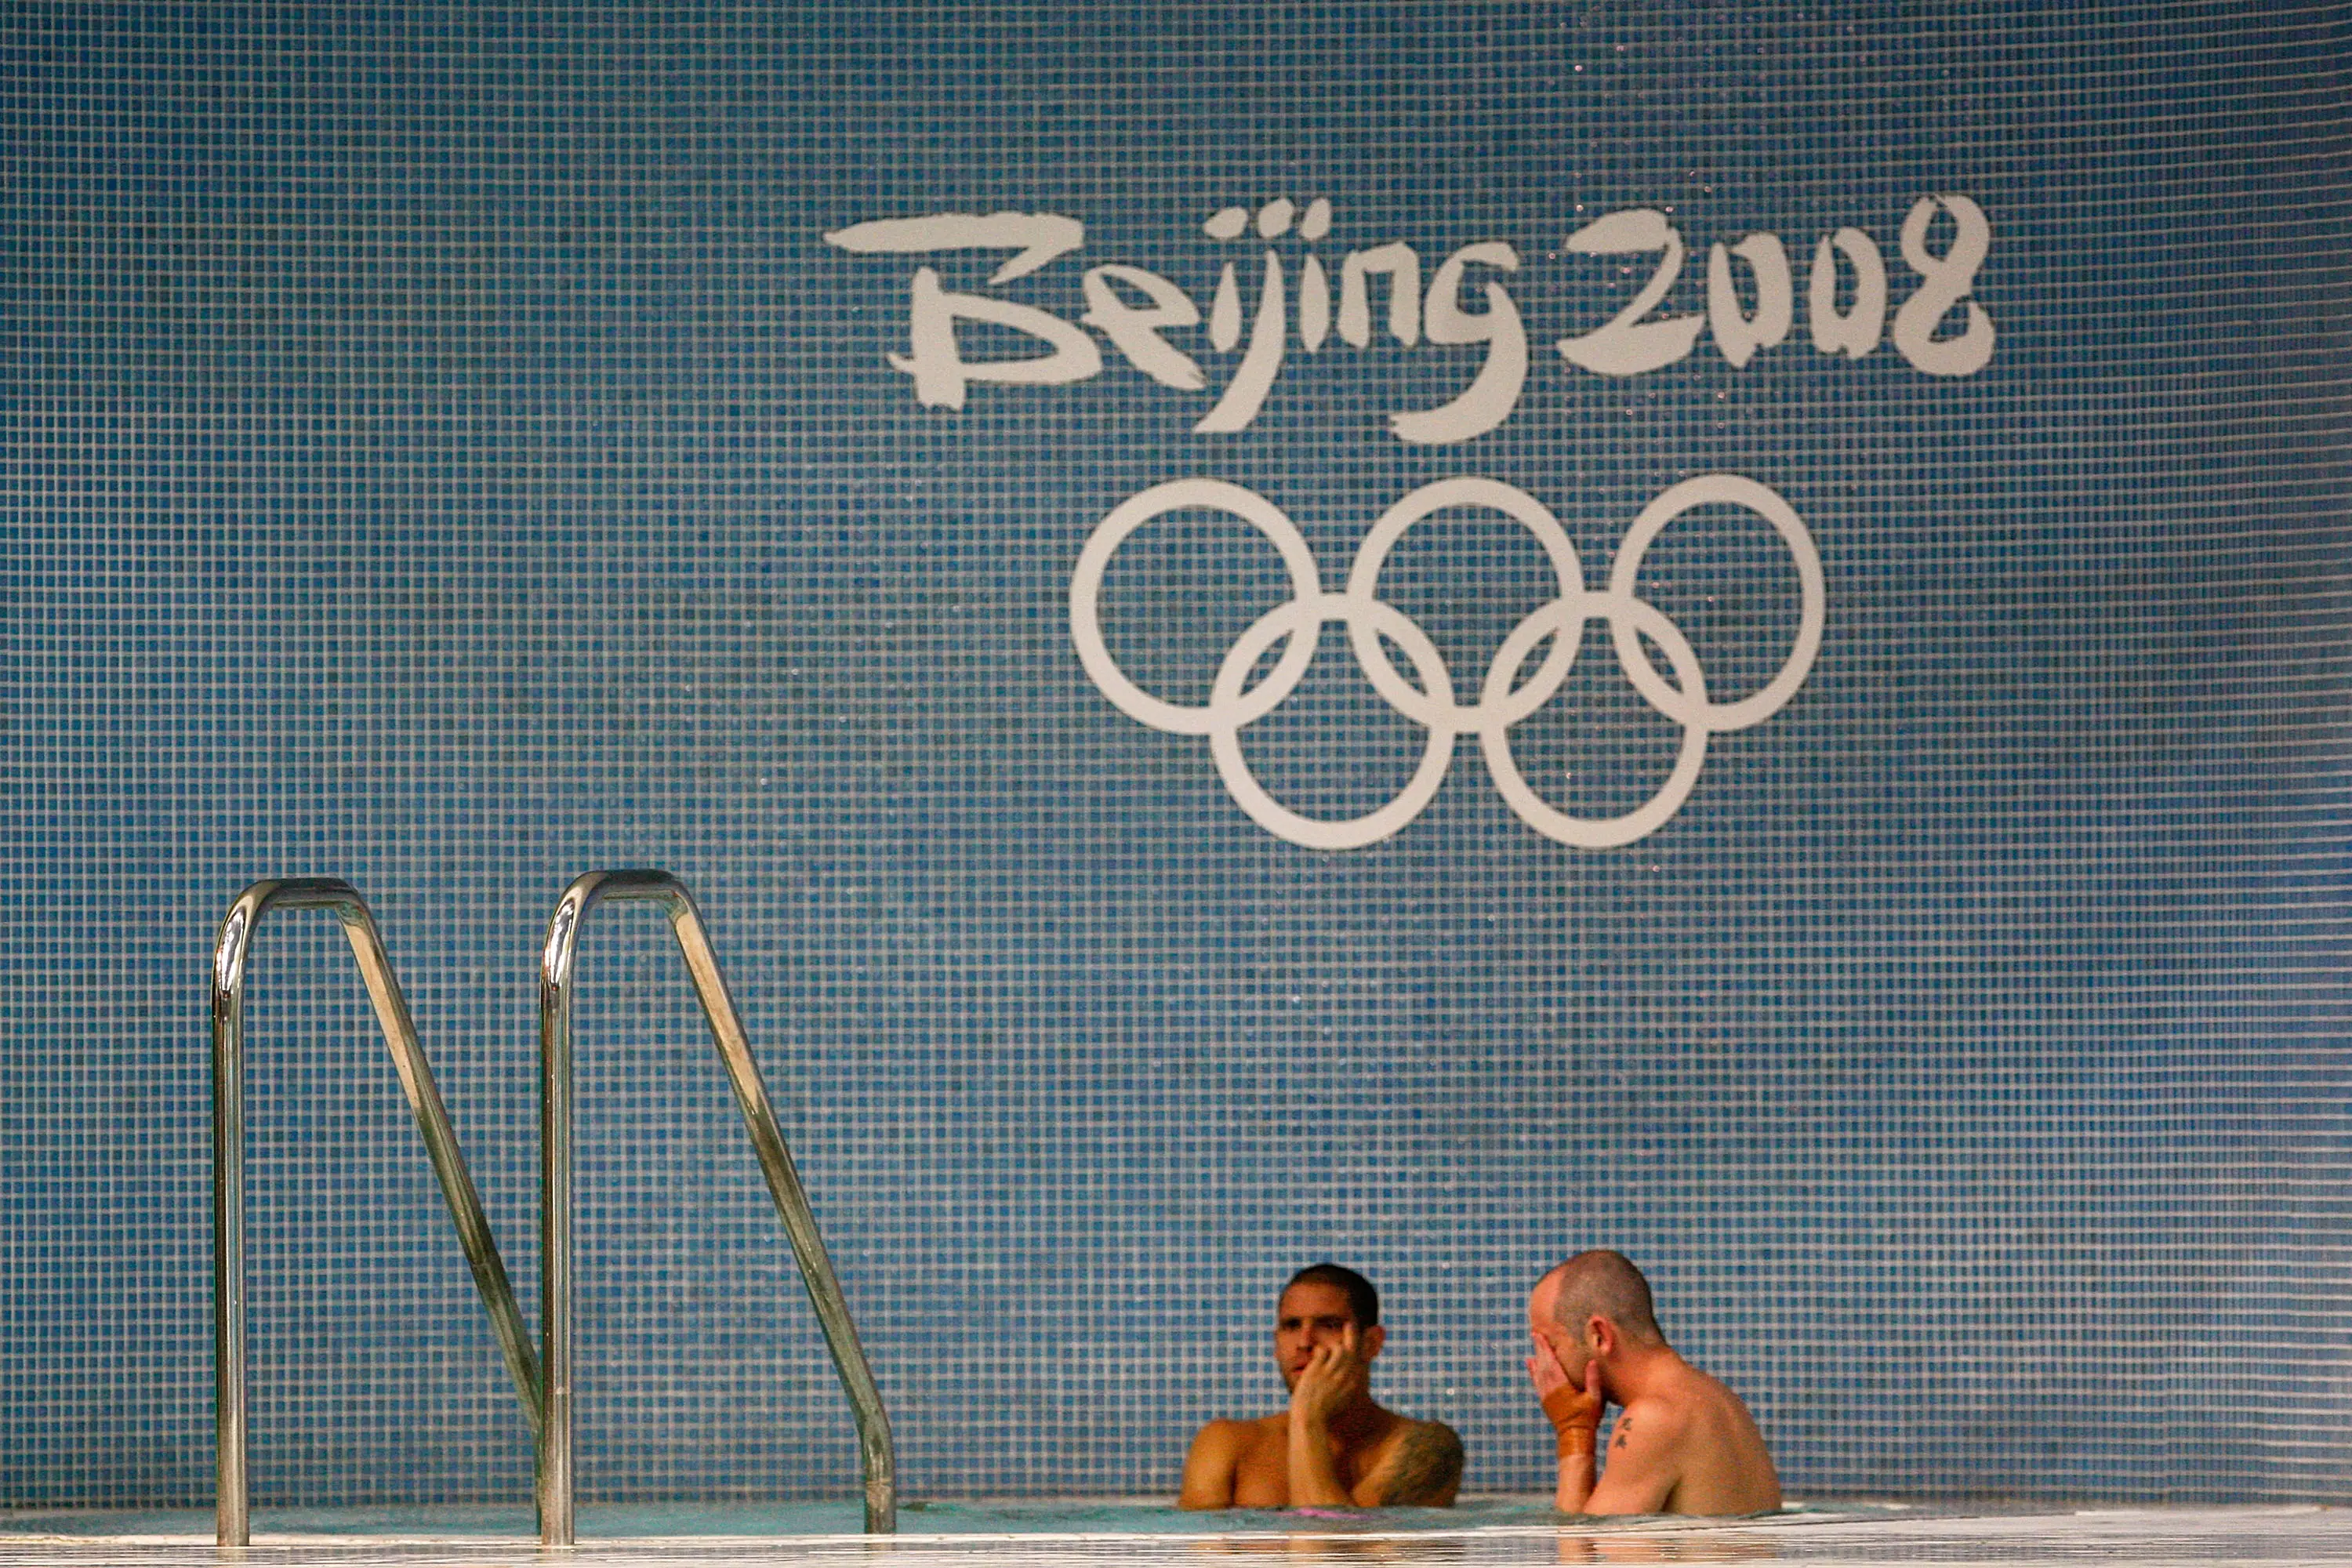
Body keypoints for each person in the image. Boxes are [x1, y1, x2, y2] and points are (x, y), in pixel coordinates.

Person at [1178, 1263, 1464, 1509]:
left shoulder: (1424, 1449)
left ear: (1371, 1343)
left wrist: (1307, 1420)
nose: (1304, 1342)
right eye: (1291, 1326)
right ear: (1276, 1343)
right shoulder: (1227, 1445)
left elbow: (1333, 1550)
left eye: (1328, 1324)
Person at [1526, 1250, 1780, 1516]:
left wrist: (1573, 1431)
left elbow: (1577, 1555)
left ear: (1599, 1336)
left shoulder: (1653, 1420)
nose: (1545, 1366)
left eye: (1550, 1346)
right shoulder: (1718, 1398)